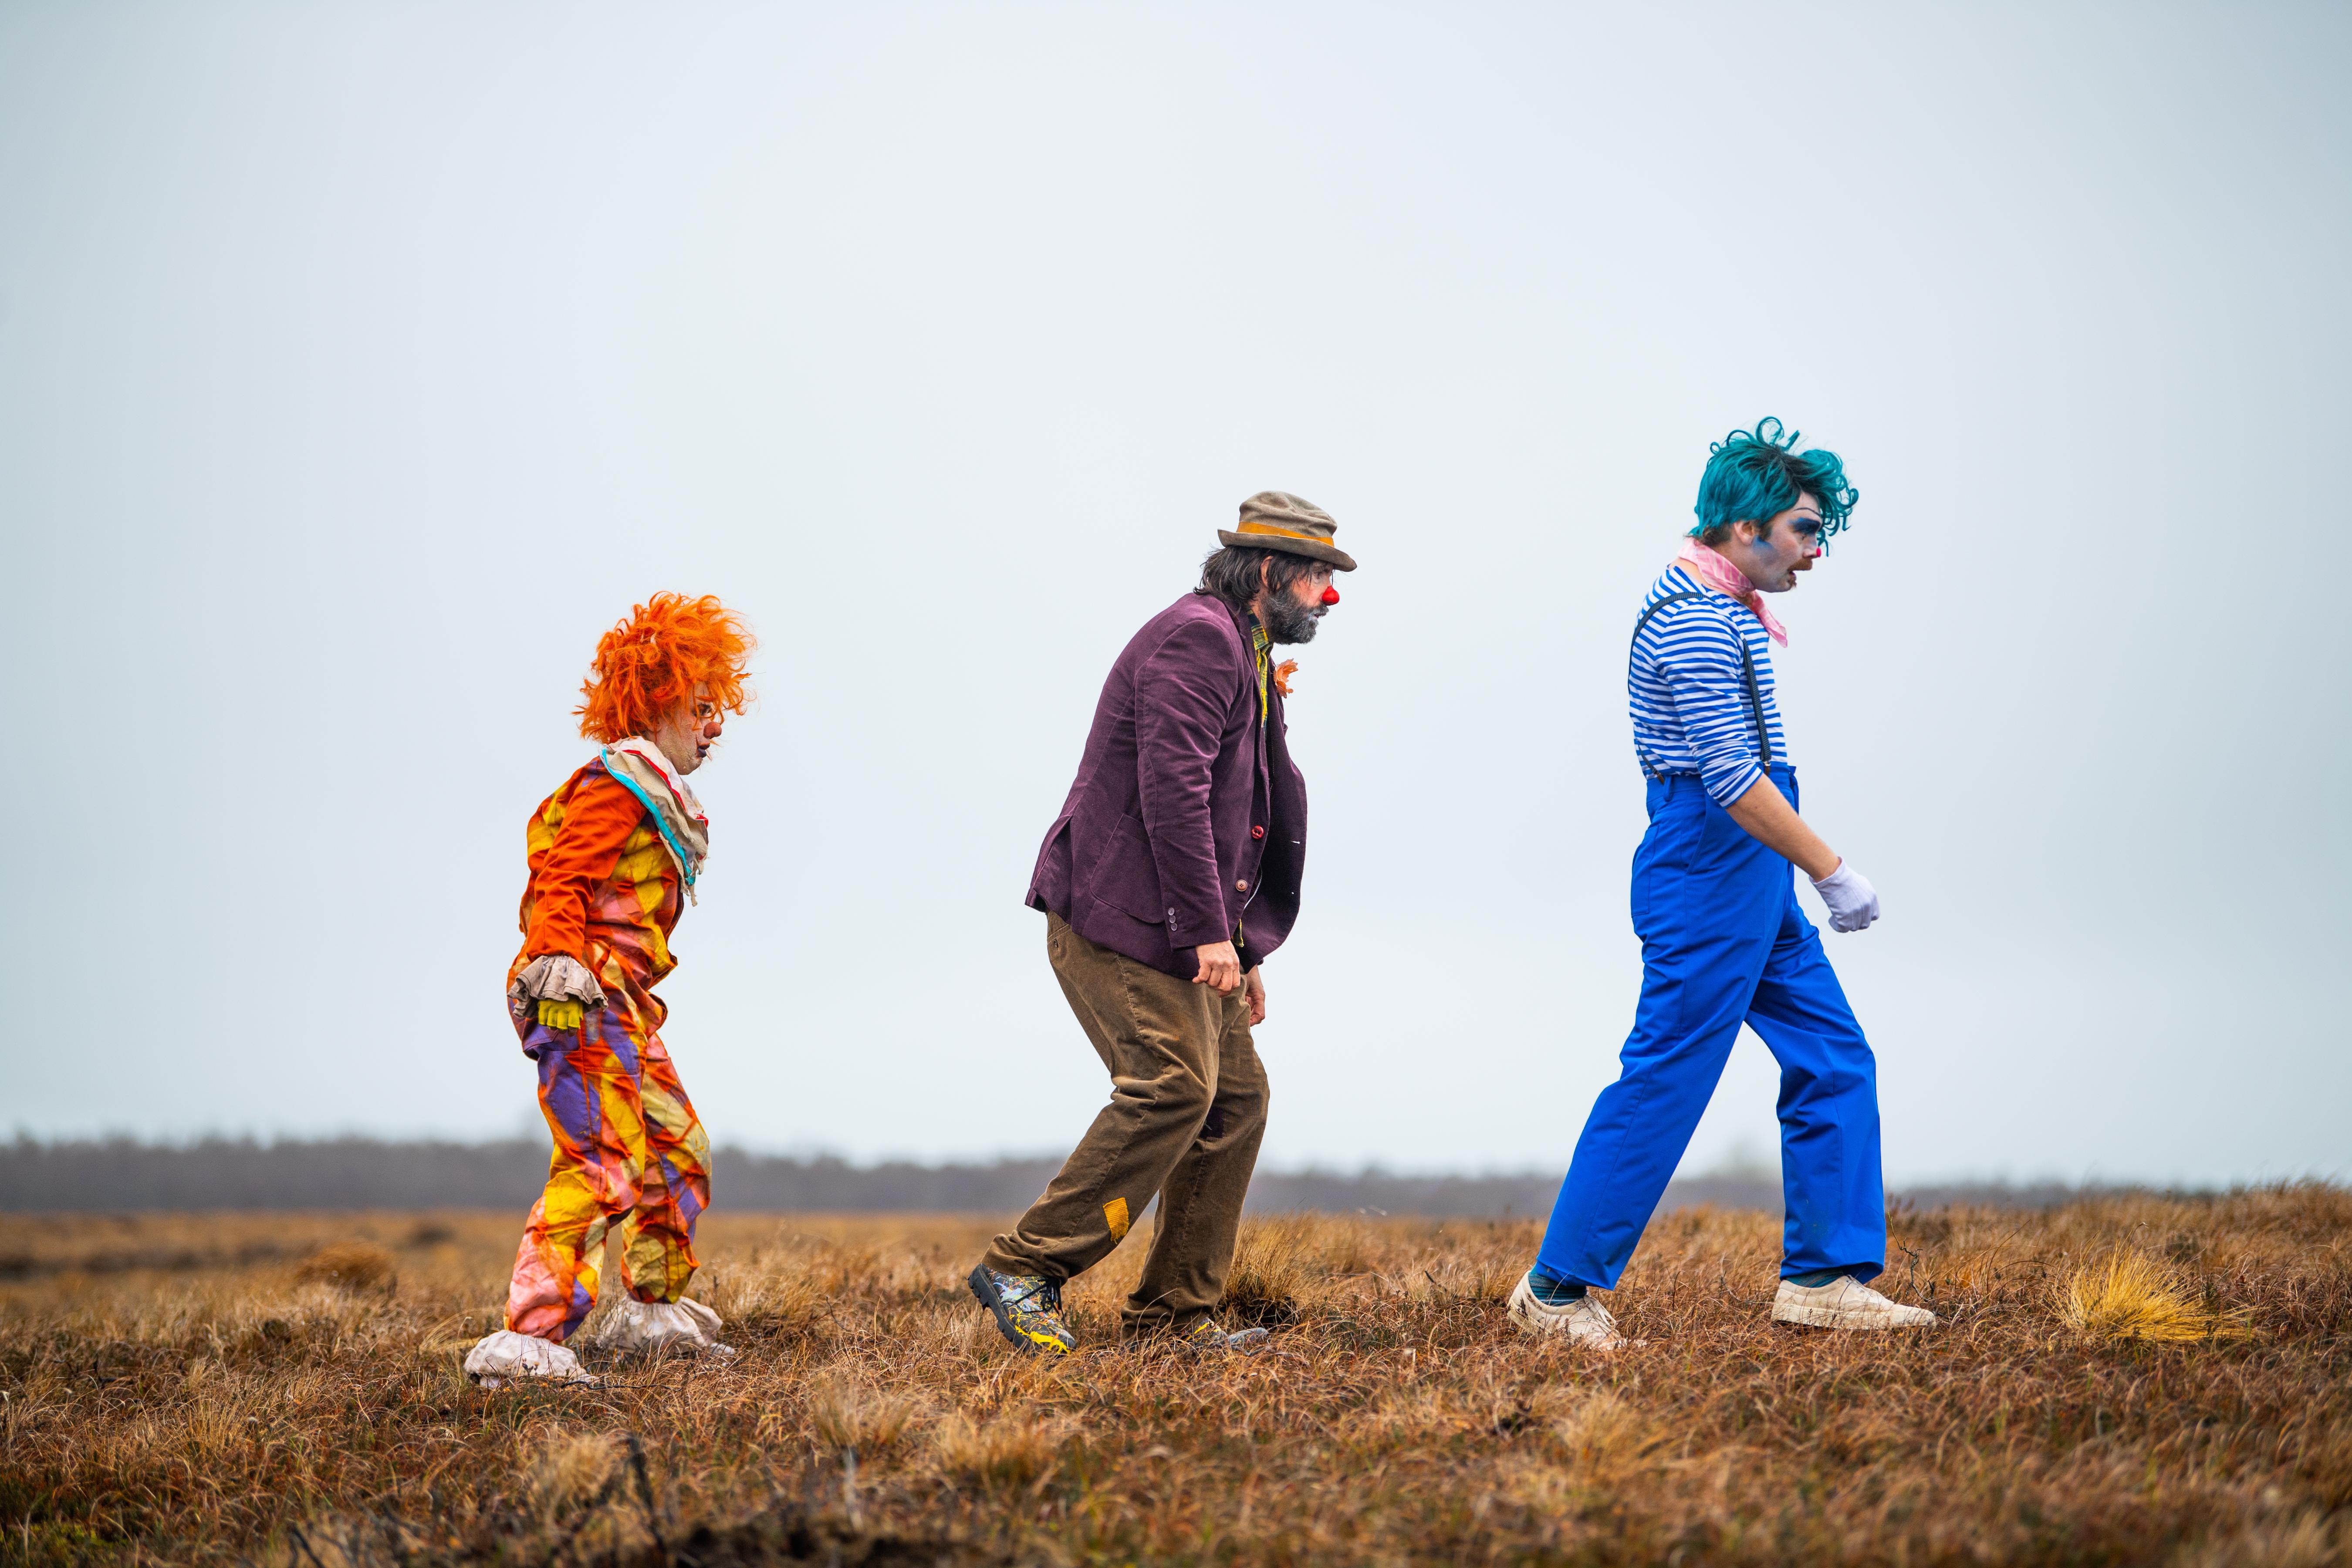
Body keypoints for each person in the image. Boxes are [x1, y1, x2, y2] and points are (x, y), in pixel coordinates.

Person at [1510, 420, 1934, 1349]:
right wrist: (1832, 870)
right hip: (1709, 867)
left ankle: (1825, 1275)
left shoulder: (1724, 605)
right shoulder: (1695, 619)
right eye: (1806, 529)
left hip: (1747, 874)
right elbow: (1733, 782)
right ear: (1746, 528)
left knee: (1833, 1056)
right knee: (1668, 1075)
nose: (1817, 552)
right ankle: (1554, 1290)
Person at [967, 492, 1355, 1355]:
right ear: (1267, 573)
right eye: (1319, 578)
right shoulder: (1198, 639)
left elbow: (1237, 809)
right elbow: (1172, 794)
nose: (1329, 598)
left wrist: (1242, 942)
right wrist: (1205, 931)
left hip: (1186, 919)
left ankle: (1175, 1319)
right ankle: (1025, 1266)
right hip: (1122, 917)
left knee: (1237, 1103)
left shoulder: (1245, 649)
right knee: (1176, 1086)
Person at [465, 593, 755, 1387]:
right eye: (702, 707)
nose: (716, 726)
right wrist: (557, 967)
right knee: (601, 1162)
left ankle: (653, 1317)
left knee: (676, 1152)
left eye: (718, 708)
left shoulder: (657, 795)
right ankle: (533, 1343)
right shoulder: (615, 785)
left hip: (627, 1004)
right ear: (658, 703)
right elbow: (560, 878)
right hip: (579, 994)